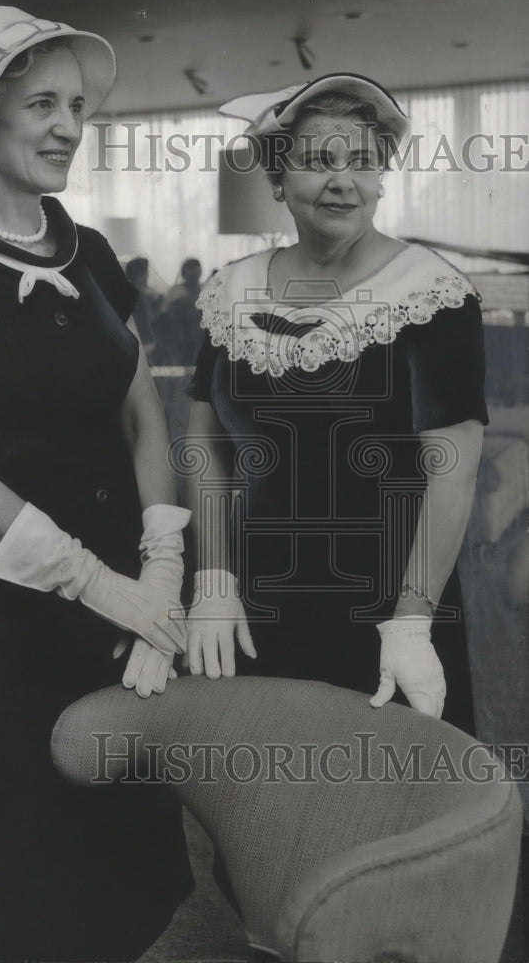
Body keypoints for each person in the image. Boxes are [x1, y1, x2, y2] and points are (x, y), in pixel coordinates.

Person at [0, 7, 193, 962]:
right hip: (8, 613)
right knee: (32, 862)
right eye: (42, 103)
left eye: (79, 108)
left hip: (134, 599)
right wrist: (102, 586)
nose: (67, 126)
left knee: (135, 843)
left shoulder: (88, 253)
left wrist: (163, 571)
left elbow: (142, 415)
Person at [184, 73, 487, 734]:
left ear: (382, 178)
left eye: (363, 161)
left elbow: (453, 470)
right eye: (318, 161)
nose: (343, 181)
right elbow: (206, 447)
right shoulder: (229, 291)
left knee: (391, 812)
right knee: (265, 809)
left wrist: (411, 621)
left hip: (387, 606)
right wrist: (213, 581)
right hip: (259, 601)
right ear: (276, 179)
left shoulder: (431, 293)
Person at [154, 257, 204, 365]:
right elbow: (165, 313)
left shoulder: (204, 290)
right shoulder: (176, 291)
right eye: (191, 271)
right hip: (179, 334)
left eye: (196, 271)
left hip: (199, 333)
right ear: (185, 273)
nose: (194, 274)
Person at [125, 255, 166, 360]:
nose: (147, 275)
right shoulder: (142, 293)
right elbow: (149, 317)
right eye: (145, 272)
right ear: (139, 274)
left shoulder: (130, 290)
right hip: (146, 340)